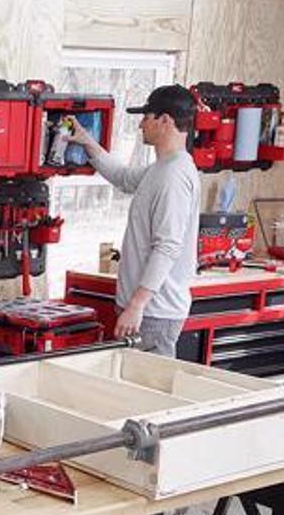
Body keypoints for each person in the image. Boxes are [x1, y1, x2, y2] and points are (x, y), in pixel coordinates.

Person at [68, 85, 201, 357]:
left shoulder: (173, 177)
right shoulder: (163, 168)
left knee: (148, 384)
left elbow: (167, 247)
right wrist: (87, 141)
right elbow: (124, 178)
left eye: (146, 117)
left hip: (153, 313)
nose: (141, 124)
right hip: (146, 311)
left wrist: (137, 305)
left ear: (166, 120)